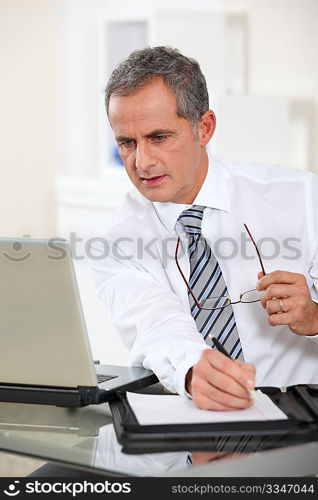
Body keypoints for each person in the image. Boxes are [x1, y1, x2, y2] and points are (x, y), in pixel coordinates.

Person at [90, 46, 318, 412]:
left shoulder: (302, 196)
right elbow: (155, 324)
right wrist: (195, 369)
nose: (142, 162)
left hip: (303, 420)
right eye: (127, 143)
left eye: (159, 137)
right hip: (196, 420)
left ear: (204, 128)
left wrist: (315, 317)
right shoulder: (117, 239)